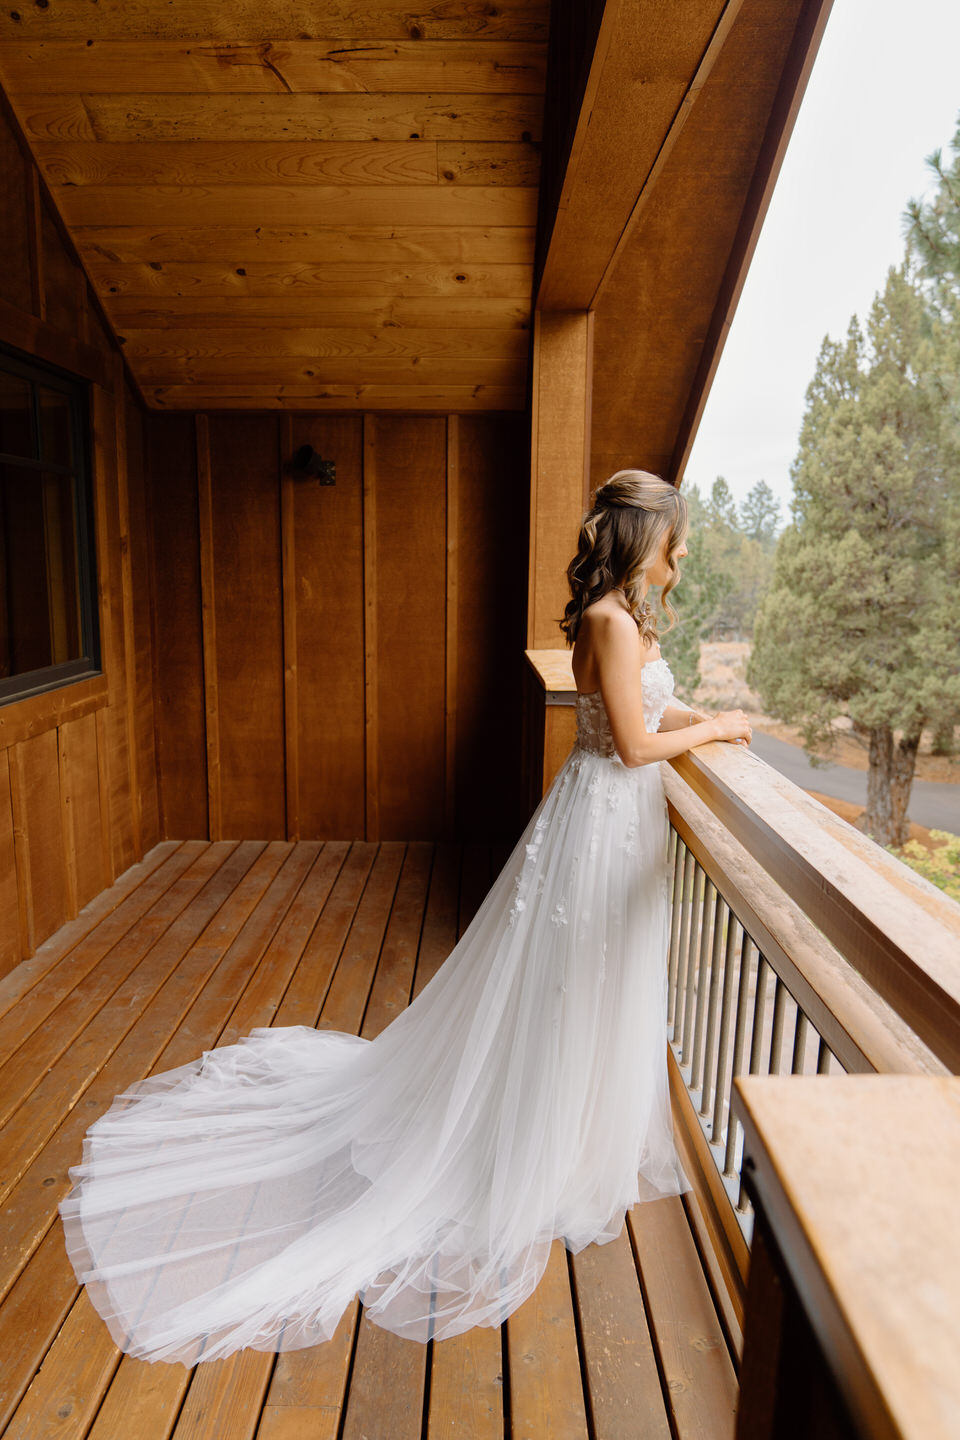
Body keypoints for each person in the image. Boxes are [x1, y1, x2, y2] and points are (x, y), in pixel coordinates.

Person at [59, 469, 752, 1366]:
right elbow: (632, 743)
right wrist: (712, 731)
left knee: (589, 985)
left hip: (610, 819)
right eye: (678, 536)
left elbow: (642, 706)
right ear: (644, 541)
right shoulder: (612, 622)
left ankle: (571, 1138)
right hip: (606, 817)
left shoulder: (619, 619)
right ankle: (539, 1147)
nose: (685, 550)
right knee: (574, 984)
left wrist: (702, 713)